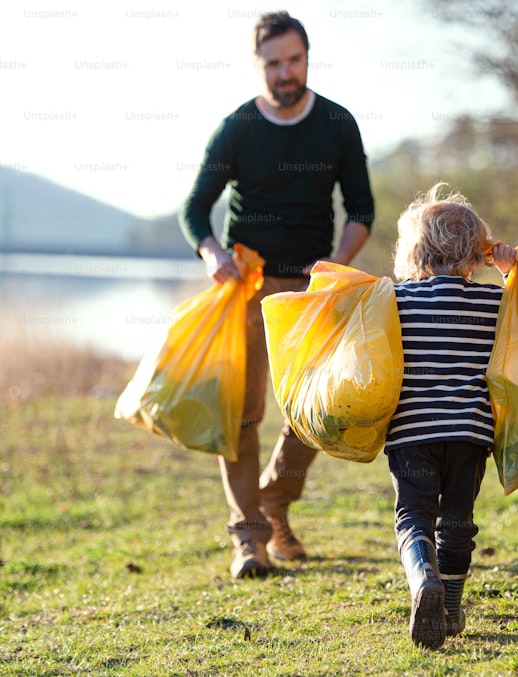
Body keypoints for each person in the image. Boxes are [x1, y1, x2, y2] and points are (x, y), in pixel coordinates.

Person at [178, 11, 375, 580]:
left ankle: (274, 501)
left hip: (312, 291)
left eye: (293, 60)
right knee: (242, 417)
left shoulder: (337, 124)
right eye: (273, 63)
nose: (284, 73)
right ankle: (249, 539)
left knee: (320, 412)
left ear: (307, 58)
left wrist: (336, 265)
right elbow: (194, 209)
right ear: (259, 65)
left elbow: (360, 208)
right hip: (248, 287)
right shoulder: (237, 128)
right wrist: (214, 255)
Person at [385, 183, 517, 649]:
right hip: (469, 431)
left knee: (414, 518)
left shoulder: (395, 303)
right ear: (475, 255)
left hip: (412, 432)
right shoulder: (493, 303)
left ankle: (424, 582)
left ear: (414, 251)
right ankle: (453, 607)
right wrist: (508, 272)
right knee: (458, 520)